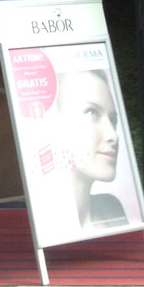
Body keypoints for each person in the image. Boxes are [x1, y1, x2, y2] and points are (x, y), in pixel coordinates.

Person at [50, 68, 127, 231]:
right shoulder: (47, 221)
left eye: (113, 120)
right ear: (54, 122)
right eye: (92, 112)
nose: (113, 135)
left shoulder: (111, 209)